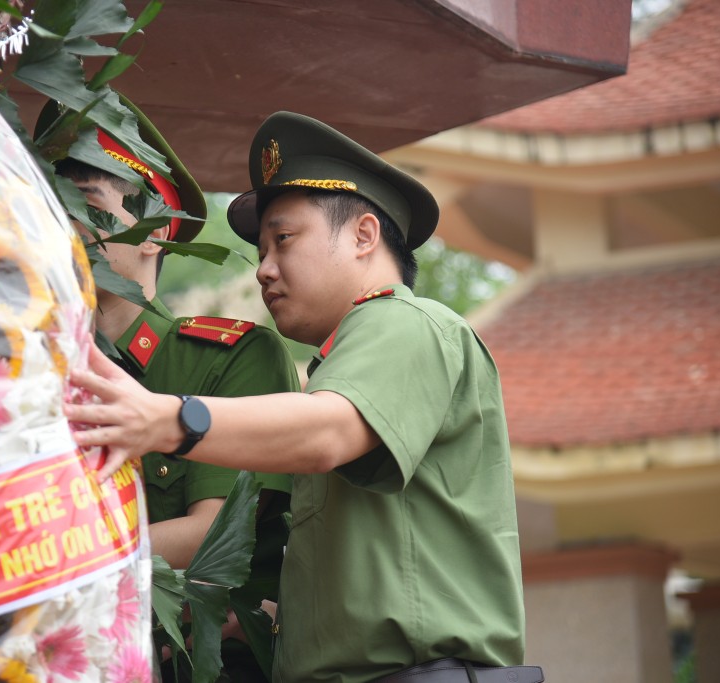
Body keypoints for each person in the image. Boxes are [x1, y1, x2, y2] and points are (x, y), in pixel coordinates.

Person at [64, 112, 538, 683]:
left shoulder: (403, 321)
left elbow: (326, 432)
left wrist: (170, 418)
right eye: (262, 249)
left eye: (283, 239)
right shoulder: (349, 358)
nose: (264, 269)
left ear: (364, 235)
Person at [36, 98, 300, 680]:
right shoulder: (27, 375)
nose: (67, 224)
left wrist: (44, 556)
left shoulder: (230, 358)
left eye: (91, 203)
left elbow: (216, 532)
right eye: (53, 206)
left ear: (154, 234)